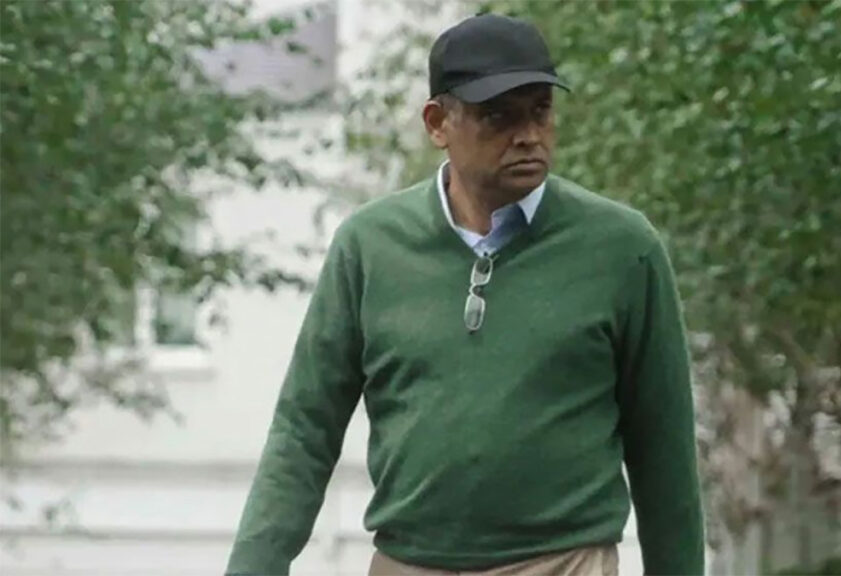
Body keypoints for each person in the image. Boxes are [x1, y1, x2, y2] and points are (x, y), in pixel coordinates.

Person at [226, 13, 704, 576]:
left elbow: (664, 449)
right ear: (438, 123)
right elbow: (305, 428)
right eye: (498, 115)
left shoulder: (622, 249)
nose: (528, 135)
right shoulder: (370, 246)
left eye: (541, 111)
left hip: (563, 563)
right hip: (410, 562)